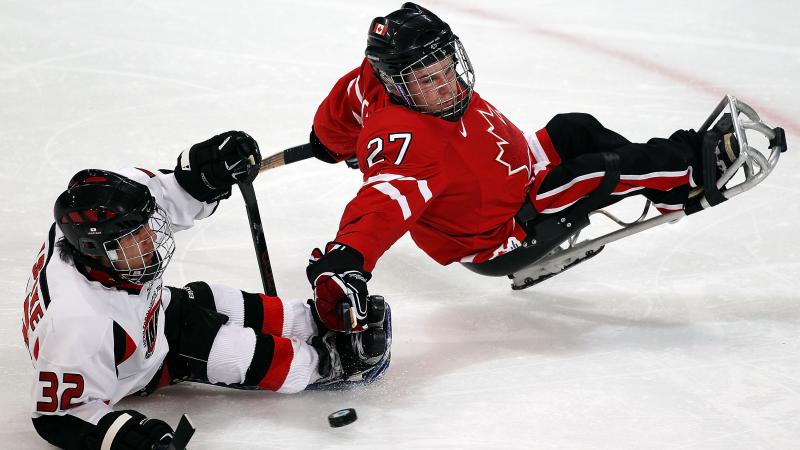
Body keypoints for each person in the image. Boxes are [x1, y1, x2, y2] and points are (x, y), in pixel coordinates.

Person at [304, 2, 742, 331]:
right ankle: (692, 169)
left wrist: (329, 144)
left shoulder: (373, 81)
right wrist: (350, 258)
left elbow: (342, 109)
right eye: (427, 80)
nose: (446, 85)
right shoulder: (407, 140)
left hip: (516, 169)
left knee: (575, 129)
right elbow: (385, 201)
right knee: (592, 172)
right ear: (396, 82)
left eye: (445, 67)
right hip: (506, 225)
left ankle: (664, 188)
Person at [22, 131, 391, 449]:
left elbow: (168, 193)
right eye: (136, 238)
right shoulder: (77, 325)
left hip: (152, 313)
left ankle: (310, 321)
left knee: (213, 299)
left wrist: (206, 170)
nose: (151, 236)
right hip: (140, 366)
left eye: (144, 227)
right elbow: (59, 415)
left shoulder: (105, 232)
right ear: (95, 250)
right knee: (230, 350)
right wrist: (127, 437)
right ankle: (327, 363)